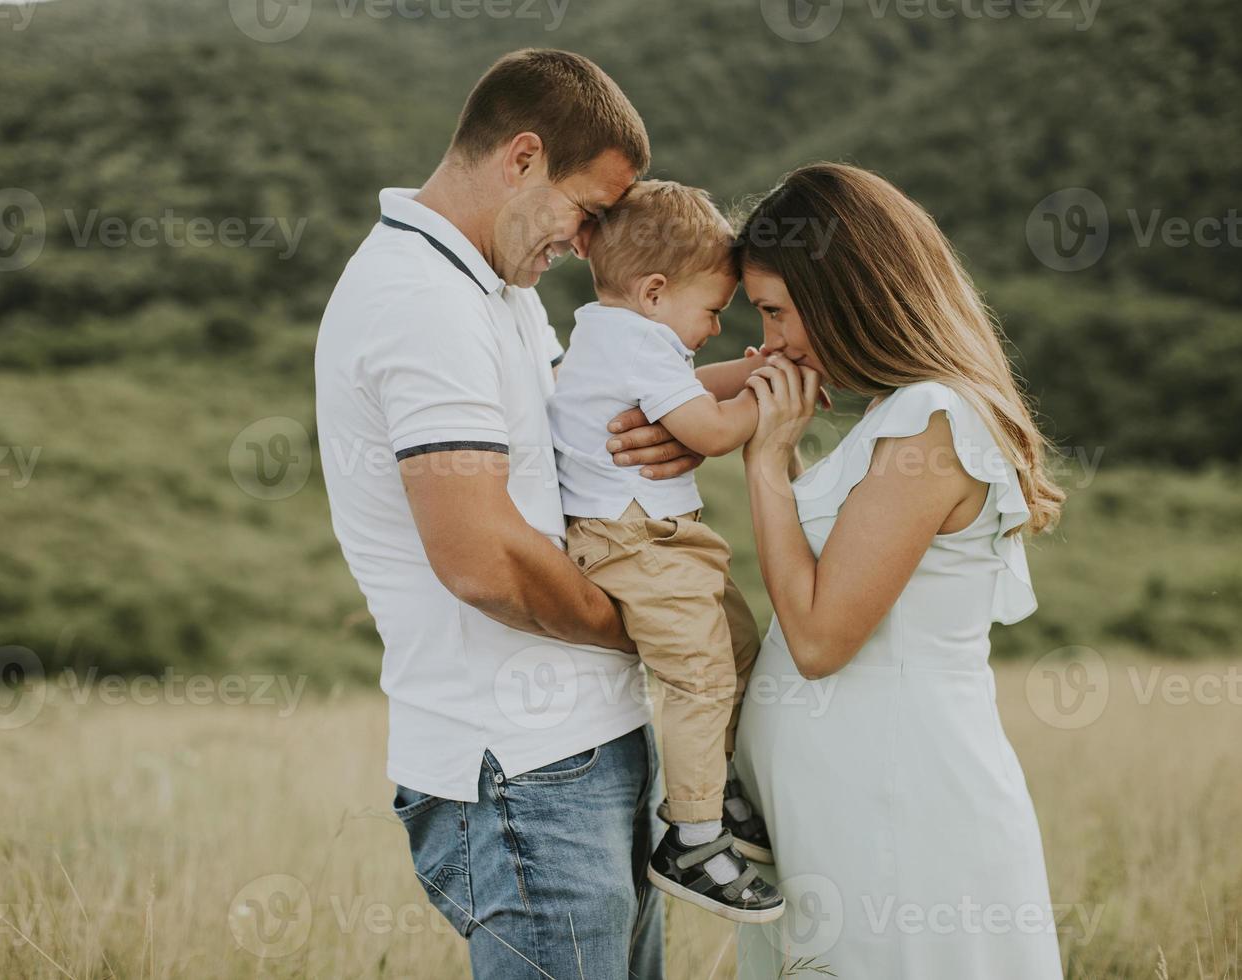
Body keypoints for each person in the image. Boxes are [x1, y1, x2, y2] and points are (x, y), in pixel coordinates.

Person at [313, 49, 762, 979]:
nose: (590, 241)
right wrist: (654, 633)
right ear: (522, 159)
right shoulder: (421, 300)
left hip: (580, 746)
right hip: (520, 766)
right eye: (588, 212)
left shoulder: (494, 287)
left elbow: (560, 422)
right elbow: (484, 560)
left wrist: (696, 416)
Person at [730, 162, 1068, 979]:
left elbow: (818, 638)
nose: (770, 340)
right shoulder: (892, 414)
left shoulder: (932, 419)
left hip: (900, 810)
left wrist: (768, 465)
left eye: (776, 311)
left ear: (842, 288)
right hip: (844, 809)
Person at [547, 180, 783, 923]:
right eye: (712, 309)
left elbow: (687, 389)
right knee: (701, 676)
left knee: (737, 648)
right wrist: (771, 402)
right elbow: (711, 431)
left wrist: (755, 370)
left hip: (661, 540)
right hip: (635, 540)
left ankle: (711, 779)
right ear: (655, 292)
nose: (716, 327)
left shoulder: (618, 334)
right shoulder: (637, 340)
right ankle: (692, 836)